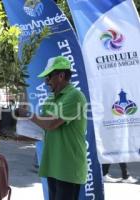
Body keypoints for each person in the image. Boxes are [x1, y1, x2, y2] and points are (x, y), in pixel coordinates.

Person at [18, 56, 87, 200]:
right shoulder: (51, 97)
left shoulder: (75, 96)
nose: (46, 81)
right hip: (53, 166)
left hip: (68, 168)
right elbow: (40, 127)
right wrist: (13, 134)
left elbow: (50, 124)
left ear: (61, 75)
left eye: (49, 76)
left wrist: (28, 113)